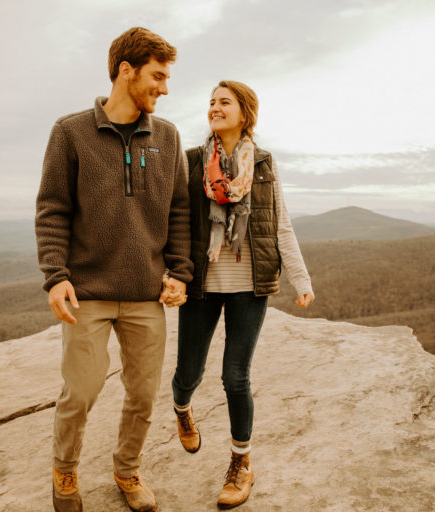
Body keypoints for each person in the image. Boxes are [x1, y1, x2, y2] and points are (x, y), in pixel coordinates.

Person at [35, 27, 192, 512]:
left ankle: (127, 471)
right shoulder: (70, 132)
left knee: (143, 396)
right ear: (126, 71)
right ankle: (65, 471)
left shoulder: (166, 136)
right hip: (89, 293)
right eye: (158, 76)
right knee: (80, 393)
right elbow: (52, 209)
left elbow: (180, 211)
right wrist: (56, 275)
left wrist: (180, 272)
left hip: (147, 295)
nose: (164, 89)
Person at [170, 81, 314, 509]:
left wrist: (300, 280)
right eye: (211, 101)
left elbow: (279, 224)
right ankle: (181, 408)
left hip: (250, 284)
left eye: (224, 102)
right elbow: (174, 221)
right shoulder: (193, 161)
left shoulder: (264, 163)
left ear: (244, 113)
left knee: (236, 377)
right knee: (187, 374)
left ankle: (240, 462)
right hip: (203, 283)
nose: (214, 107)